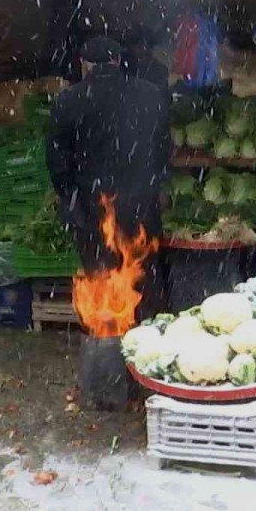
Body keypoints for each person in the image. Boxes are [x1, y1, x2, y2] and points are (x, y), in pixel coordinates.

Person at [46, 36, 171, 320]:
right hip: (140, 202)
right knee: (143, 269)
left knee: (101, 274)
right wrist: (157, 184)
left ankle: (108, 337)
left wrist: (70, 195)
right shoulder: (150, 94)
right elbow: (163, 147)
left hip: (92, 207)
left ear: (83, 65)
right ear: (117, 61)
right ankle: (149, 335)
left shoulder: (67, 100)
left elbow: (56, 160)